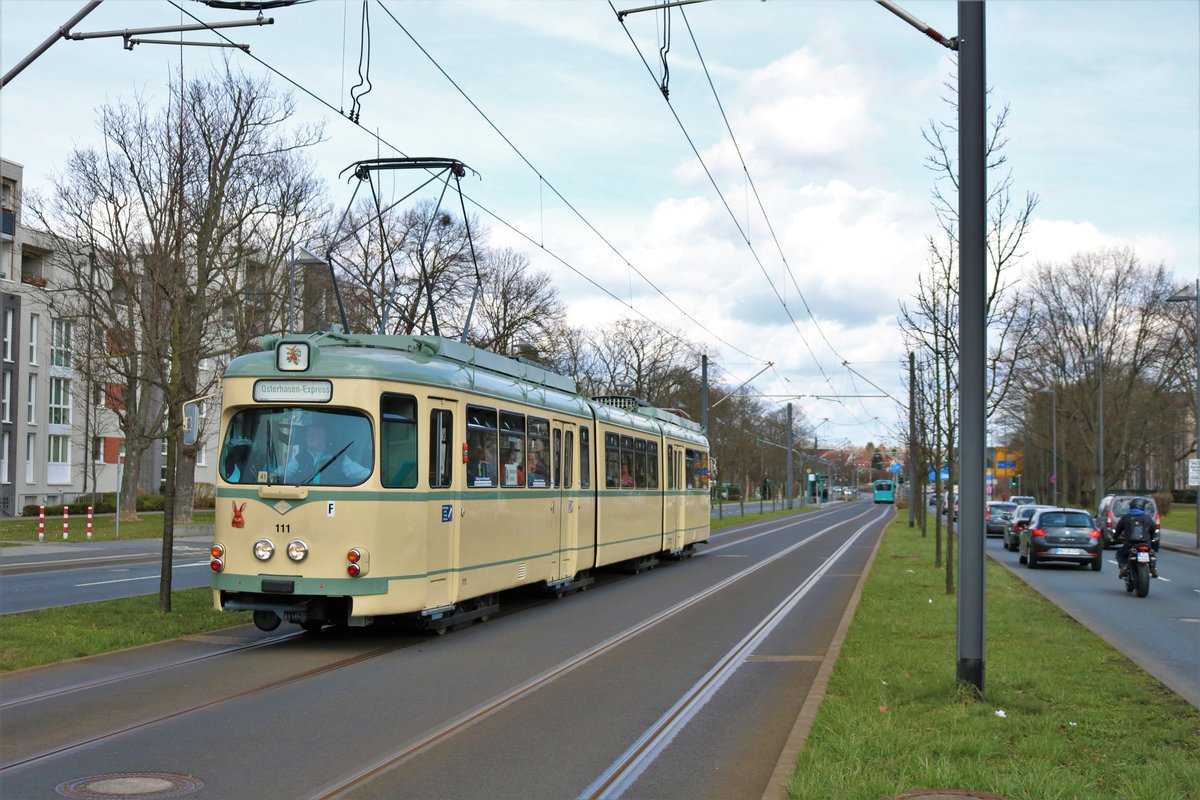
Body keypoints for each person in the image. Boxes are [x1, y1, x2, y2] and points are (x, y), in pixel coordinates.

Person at [286, 421, 370, 485]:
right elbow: (286, 471)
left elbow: (355, 471)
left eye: (314, 435)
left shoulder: (337, 456)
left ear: (324, 437)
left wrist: (374, 475)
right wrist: (275, 474)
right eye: (308, 435)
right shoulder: (301, 456)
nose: (310, 438)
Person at [1115, 497, 1158, 578]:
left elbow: (1118, 530)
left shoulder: (1126, 518)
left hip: (1130, 545)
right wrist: (1151, 539)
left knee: (1120, 554)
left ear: (1131, 506)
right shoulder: (1147, 518)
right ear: (1143, 507)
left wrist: (1115, 537)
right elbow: (1153, 529)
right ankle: (1153, 567)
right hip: (1146, 544)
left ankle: (1123, 567)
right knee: (1152, 555)